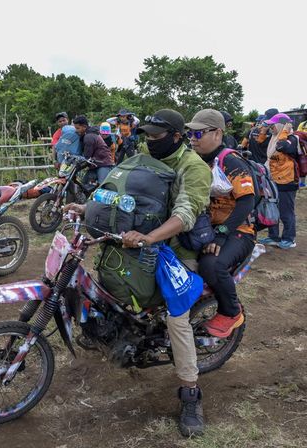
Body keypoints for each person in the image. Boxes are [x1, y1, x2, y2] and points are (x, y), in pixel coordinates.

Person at [66, 109, 212, 437]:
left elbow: (186, 213)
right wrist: (87, 207)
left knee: (177, 319)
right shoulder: (144, 155)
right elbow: (120, 193)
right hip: (139, 244)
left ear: (177, 136)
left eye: (157, 136)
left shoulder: (193, 168)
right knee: (106, 274)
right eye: (147, 135)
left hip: (176, 251)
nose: (149, 141)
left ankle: (190, 393)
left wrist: (150, 238)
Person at [187, 109, 255, 338]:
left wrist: (223, 234)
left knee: (211, 265)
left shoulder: (231, 160)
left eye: (198, 134)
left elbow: (247, 202)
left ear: (217, 133)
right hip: (206, 227)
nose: (192, 139)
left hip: (238, 231)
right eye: (190, 134)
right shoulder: (195, 159)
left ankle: (231, 311)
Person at [259, 113, 300, 249]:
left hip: (287, 182)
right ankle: (273, 236)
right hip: (274, 180)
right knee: (272, 209)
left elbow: (282, 147)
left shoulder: (292, 139)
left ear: (281, 125)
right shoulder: (273, 138)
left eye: (273, 125)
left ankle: (289, 238)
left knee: (285, 212)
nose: (271, 127)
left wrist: (285, 131)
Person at [72, 115, 114, 183]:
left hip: (103, 163)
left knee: (102, 186)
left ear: (84, 127)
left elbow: (87, 156)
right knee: (84, 185)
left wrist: (77, 167)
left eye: (78, 128)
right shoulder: (87, 134)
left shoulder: (89, 137)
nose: (76, 131)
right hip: (95, 164)